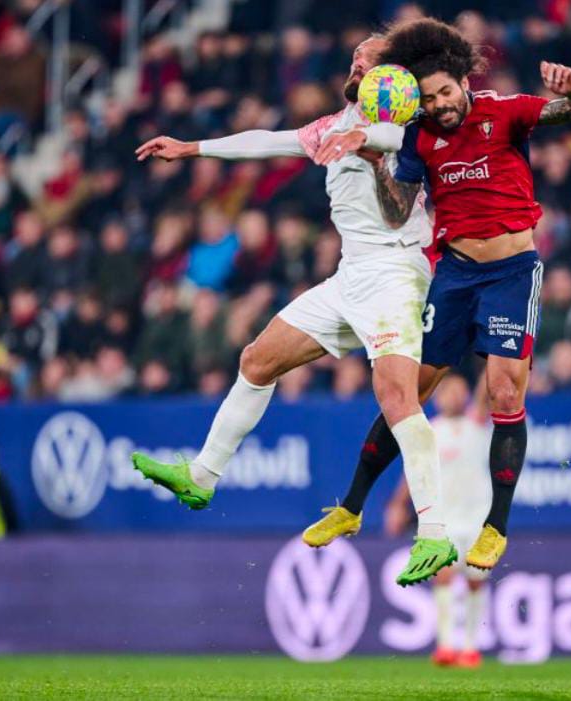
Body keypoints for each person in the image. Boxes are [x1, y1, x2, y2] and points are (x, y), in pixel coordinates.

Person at [130, 36, 454, 587]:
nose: (354, 61)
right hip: (351, 276)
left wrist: (364, 136)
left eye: (367, 58)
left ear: (391, 78)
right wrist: (194, 149)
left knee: (396, 397)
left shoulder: (414, 128)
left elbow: (393, 137)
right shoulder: (331, 126)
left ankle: (437, 532)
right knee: (257, 360)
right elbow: (268, 140)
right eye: (353, 55)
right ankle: (204, 475)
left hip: (398, 274)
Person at [309, 17, 571, 571]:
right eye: (428, 97)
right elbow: (399, 211)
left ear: (464, 82)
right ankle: (350, 507)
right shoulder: (419, 137)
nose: (439, 103)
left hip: (513, 272)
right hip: (455, 274)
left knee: (505, 396)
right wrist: (376, 166)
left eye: (445, 91)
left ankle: (496, 526)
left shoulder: (505, 111)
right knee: (406, 397)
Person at [383, 374, 491, 668]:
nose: (453, 396)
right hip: (446, 518)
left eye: (459, 390)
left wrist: (496, 357)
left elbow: (486, 390)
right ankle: (445, 645)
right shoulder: (430, 431)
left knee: (475, 583)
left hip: (478, 517)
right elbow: (415, 471)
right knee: (443, 576)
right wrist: (398, 504)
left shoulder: (477, 423)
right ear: (439, 396)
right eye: (448, 391)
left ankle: (471, 647)